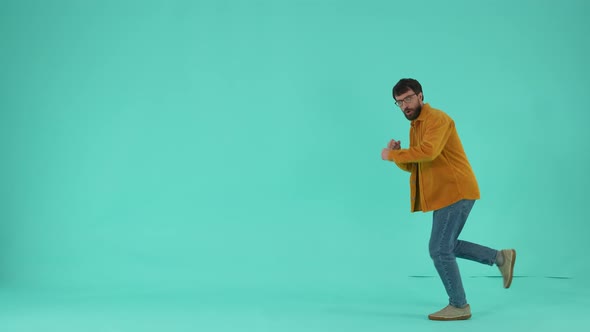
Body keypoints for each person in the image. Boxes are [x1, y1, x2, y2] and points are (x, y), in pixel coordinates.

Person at [380, 78, 516, 321]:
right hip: (445, 193)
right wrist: (399, 156)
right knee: (446, 246)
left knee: (439, 248)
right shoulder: (417, 126)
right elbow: (418, 166)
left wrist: (393, 154)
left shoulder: (437, 120)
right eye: (399, 102)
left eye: (408, 99)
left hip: (456, 190)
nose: (404, 106)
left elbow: (428, 152)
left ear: (421, 96)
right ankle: (500, 257)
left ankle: (459, 305)